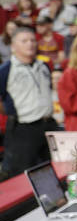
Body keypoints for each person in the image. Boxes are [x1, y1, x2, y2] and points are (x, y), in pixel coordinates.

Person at [0, 26, 57, 178]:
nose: (30, 44)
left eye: (32, 40)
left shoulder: (43, 65)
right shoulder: (5, 70)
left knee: (56, 169)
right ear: (13, 46)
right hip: (24, 128)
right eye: (24, 41)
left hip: (49, 124)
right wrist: (9, 111)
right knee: (26, 174)